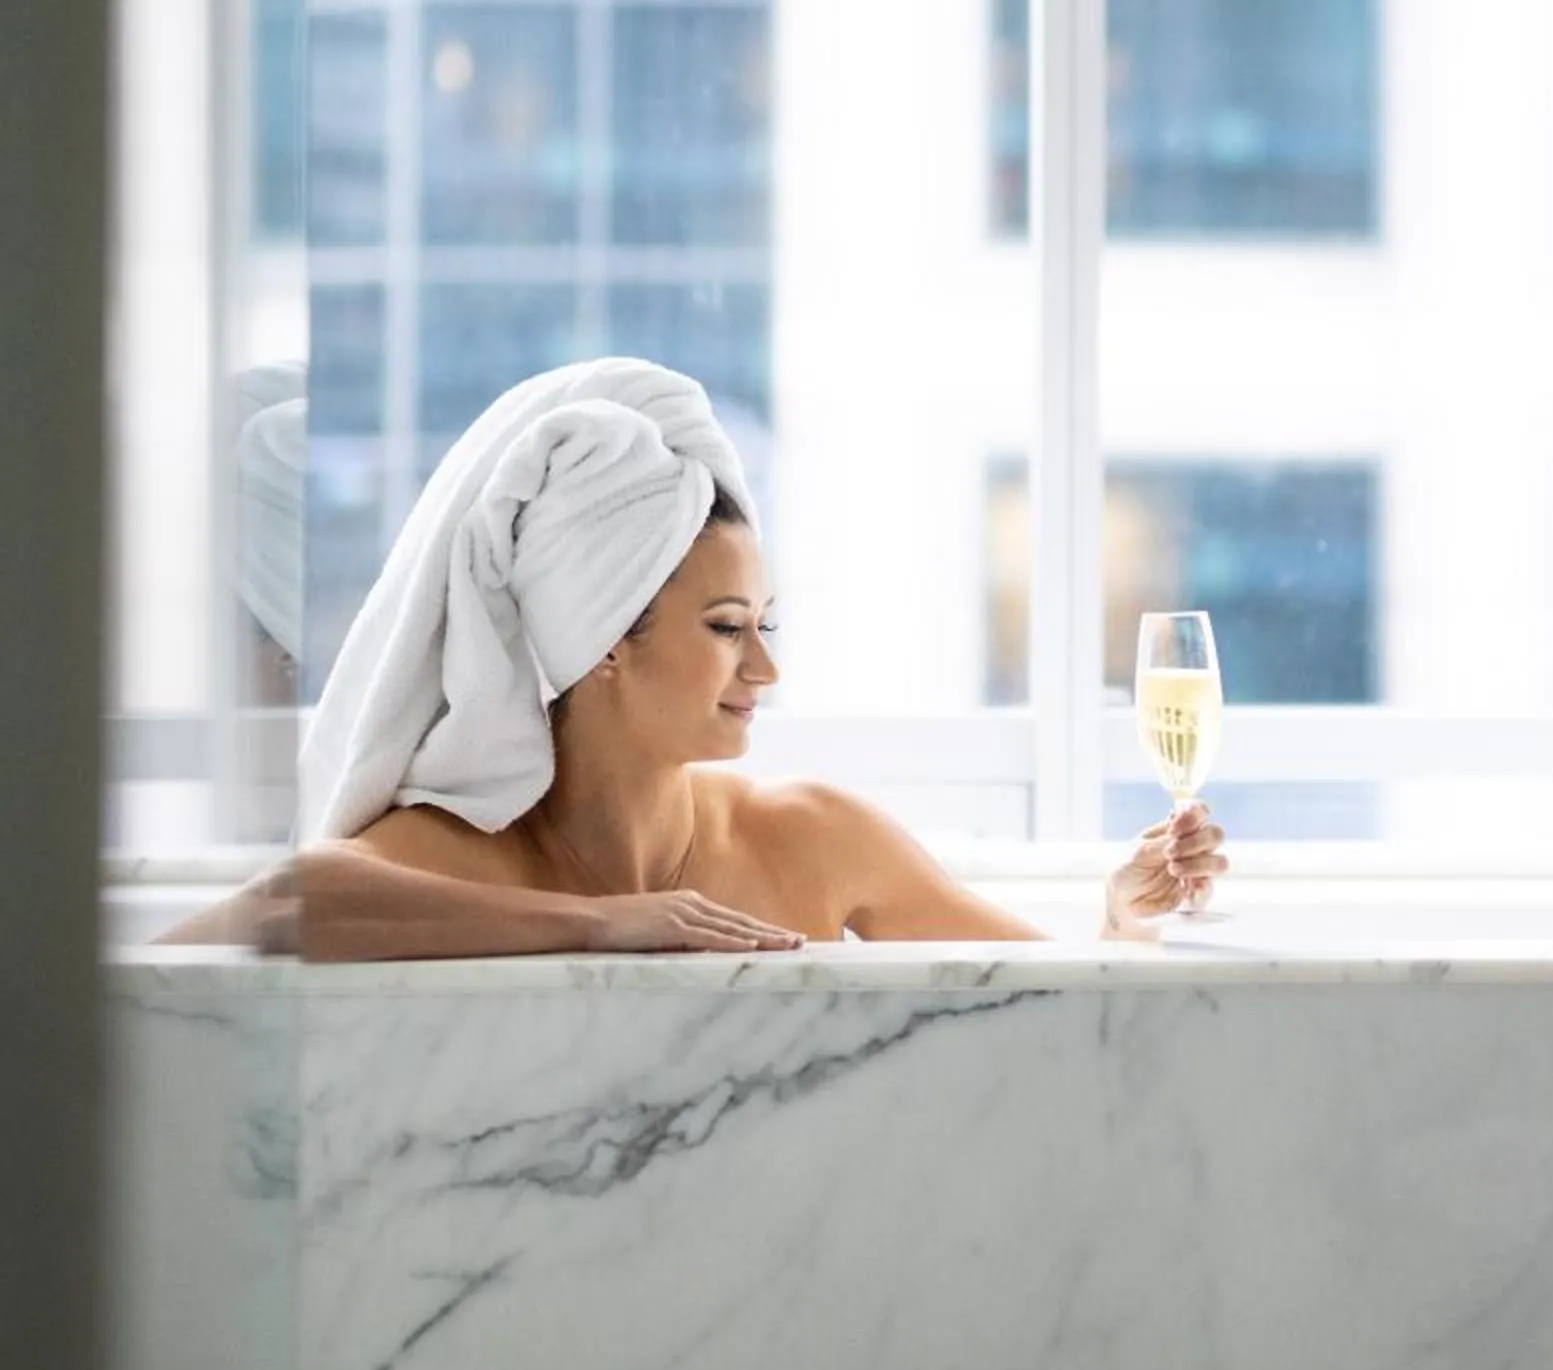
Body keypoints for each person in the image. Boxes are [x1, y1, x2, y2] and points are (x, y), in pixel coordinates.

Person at [162, 358, 1226, 957]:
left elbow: (1053, 1002)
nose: (764, 670)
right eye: (725, 629)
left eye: (768, 625)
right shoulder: (459, 854)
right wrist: (596, 926)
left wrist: (1121, 919)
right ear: (602, 643)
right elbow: (268, 911)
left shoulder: (811, 836)